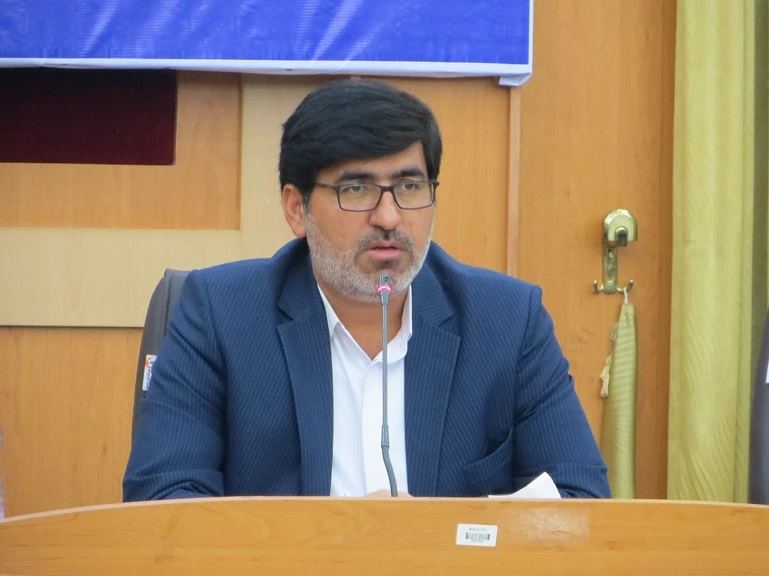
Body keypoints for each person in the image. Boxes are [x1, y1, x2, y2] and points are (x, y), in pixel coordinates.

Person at [123, 79, 610, 500]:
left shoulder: (507, 321)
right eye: (356, 189)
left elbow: (579, 501)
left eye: (410, 187)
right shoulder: (220, 314)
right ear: (296, 208)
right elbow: (164, 500)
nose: (389, 217)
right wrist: (343, 542)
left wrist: (440, 537)